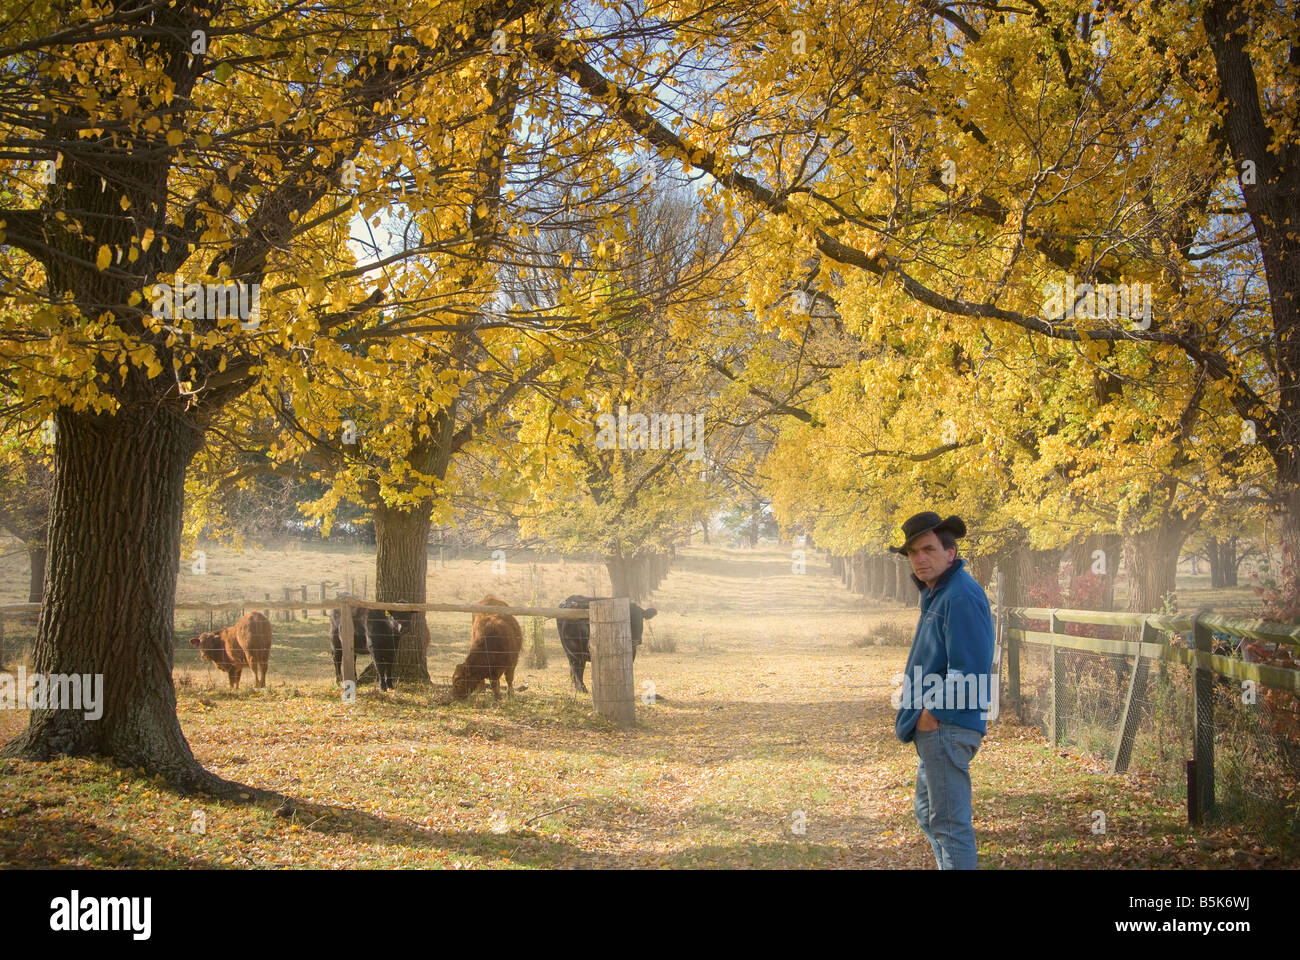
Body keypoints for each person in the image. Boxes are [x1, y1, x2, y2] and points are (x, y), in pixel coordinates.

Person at [890, 511, 995, 870]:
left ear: (950, 553)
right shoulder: (939, 594)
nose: (920, 558)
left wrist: (930, 714)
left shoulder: (960, 596)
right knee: (928, 815)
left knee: (950, 826)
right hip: (937, 728)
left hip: (946, 726)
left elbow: (970, 670)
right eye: (914, 552)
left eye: (929, 549)